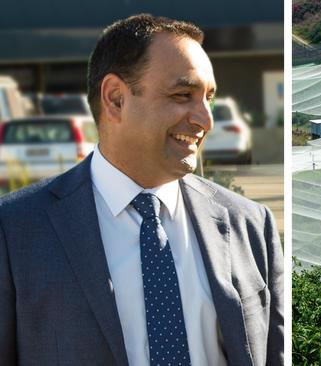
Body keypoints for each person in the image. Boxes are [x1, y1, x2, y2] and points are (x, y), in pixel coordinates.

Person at [0, 14, 283, 366]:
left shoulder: (251, 224)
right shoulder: (15, 232)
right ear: (116, 99)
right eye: (183, 95)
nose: (206, 119)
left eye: (208, 97)